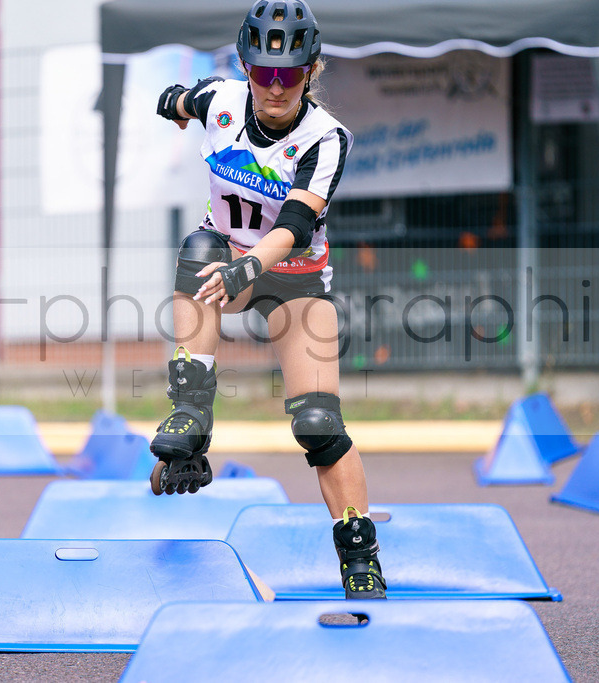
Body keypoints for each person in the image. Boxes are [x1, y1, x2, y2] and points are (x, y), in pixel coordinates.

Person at [151, 0, 386, 599]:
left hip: (296, 277)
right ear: (244, 67)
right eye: (262, 73)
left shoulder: (326, 139)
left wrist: (251, 265)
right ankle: (192, 420)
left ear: (312, 71)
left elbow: (298, 225)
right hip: (226, 261)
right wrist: (174, 104)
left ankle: (359, 555)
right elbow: (183, 99)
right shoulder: (222, 101)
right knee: (201, 245)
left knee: (319, 426)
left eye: (288, 75)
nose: (274, 87)